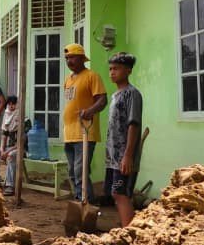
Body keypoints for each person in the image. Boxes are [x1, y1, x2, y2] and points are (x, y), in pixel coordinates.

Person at [61, 43, 107, 202]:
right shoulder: (68, 79)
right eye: (67, 58)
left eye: (72, 57)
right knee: (73, 172)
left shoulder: (91, 76)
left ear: (82, 58)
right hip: (69, 133)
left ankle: (85, 203)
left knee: (81, 171)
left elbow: (102, 100)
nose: (69, 61)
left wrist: (89, 111)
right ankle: (83, 201)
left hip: (85, 132)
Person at [104, 52, 143, 226]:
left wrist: (128, 155)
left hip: (124, 156)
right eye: (111, 69)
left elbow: (133, 124)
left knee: (121, 193)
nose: (112, 72)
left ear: (128, 71)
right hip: (113, 156)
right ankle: (125, 228)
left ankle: (130, 231)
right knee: (115, 194)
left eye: (116, 69)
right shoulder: (115, 95)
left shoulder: (132, 94)